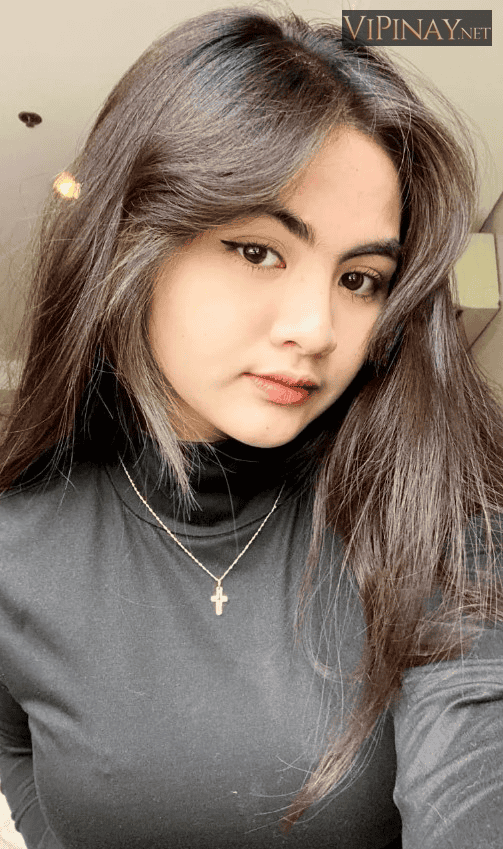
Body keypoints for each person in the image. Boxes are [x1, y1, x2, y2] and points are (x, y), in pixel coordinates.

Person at [0, 5, 502, 848]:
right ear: (129, 242)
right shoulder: (17, 543)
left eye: (359, 278)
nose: (315, 328)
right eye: (258, 250)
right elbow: (13, 739)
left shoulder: (430, 512)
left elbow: (475, 770)